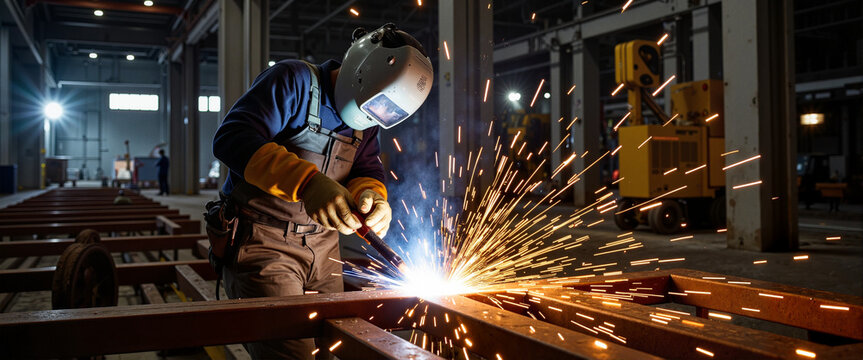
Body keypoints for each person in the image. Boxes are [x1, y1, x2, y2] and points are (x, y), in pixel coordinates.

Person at [211, 23, 432, 359]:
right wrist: (308, 183)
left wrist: (372, 196)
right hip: (265, 244)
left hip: (325, 247)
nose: (369, 119)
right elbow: (231, 138)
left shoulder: (368, 120)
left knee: (332, 347)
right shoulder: (294, 81)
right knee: (292, 352)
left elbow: (367, 168)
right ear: (362, 71)